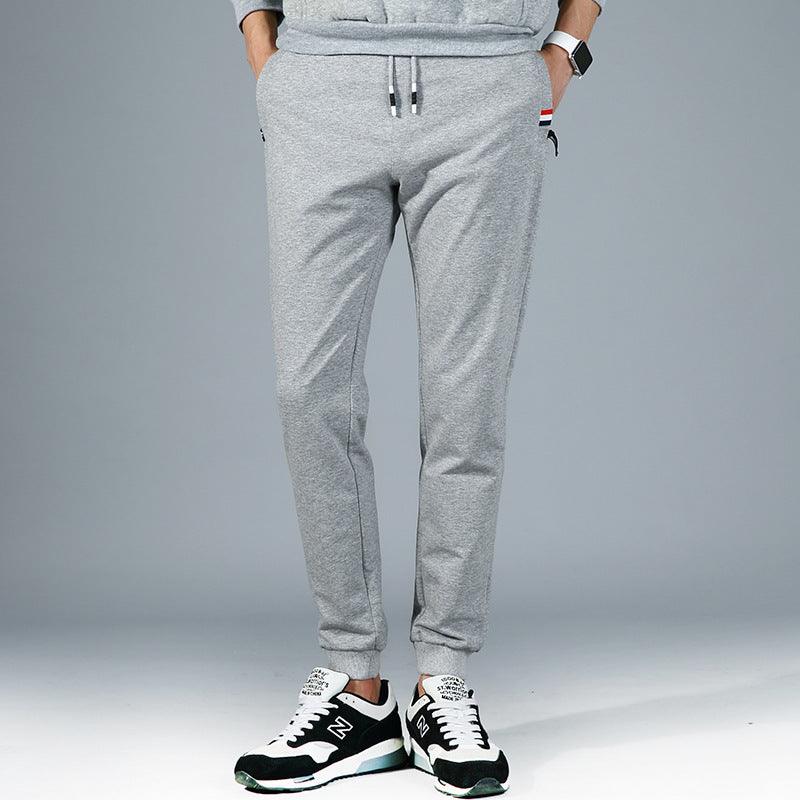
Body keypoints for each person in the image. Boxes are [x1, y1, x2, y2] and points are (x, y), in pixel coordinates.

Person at [230, 0, 602, 795]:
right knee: (309, 391)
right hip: (320, 89)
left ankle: (444, 679)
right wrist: (266, 53)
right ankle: (356, 689)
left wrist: (565, 49)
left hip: (485, 93)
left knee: (467, 399)